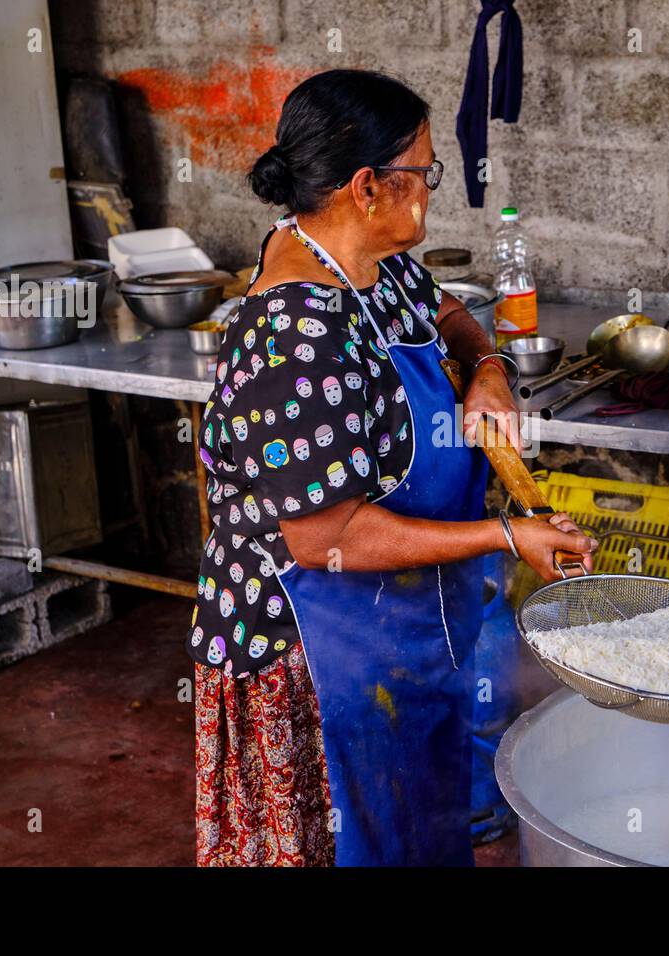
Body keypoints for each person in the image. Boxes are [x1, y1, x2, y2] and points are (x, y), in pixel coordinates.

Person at [190, 69, 595, 866]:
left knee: (412, 830)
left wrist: (487, 367)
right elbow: (325, 537)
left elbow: (443, 309)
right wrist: (507, 535)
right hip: (308, 654)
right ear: (368, 186)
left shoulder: (375, 262)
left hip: (395, 628)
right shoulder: (295, 336)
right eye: (426, 173)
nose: (432, 189)